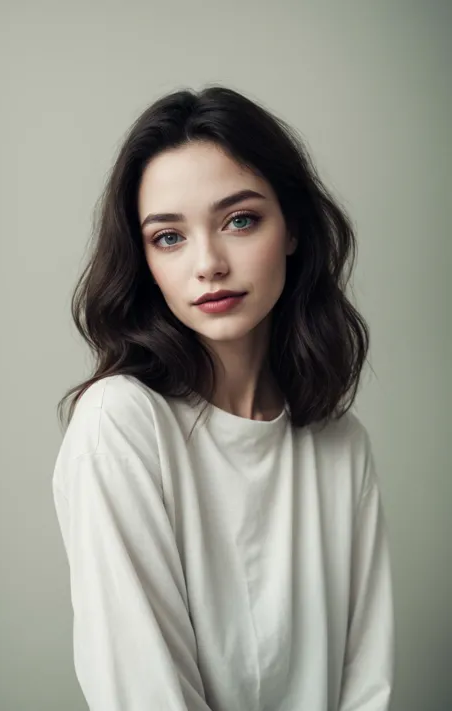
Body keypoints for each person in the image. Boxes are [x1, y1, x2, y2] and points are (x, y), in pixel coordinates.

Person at [52, 85, 395, 711]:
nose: (208, 263)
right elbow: (143, 693)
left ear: (290, 228)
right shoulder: (120, 424)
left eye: (240, 220)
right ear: (145, 260)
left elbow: (367, 686)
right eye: (169, 237)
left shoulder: (341, 445)